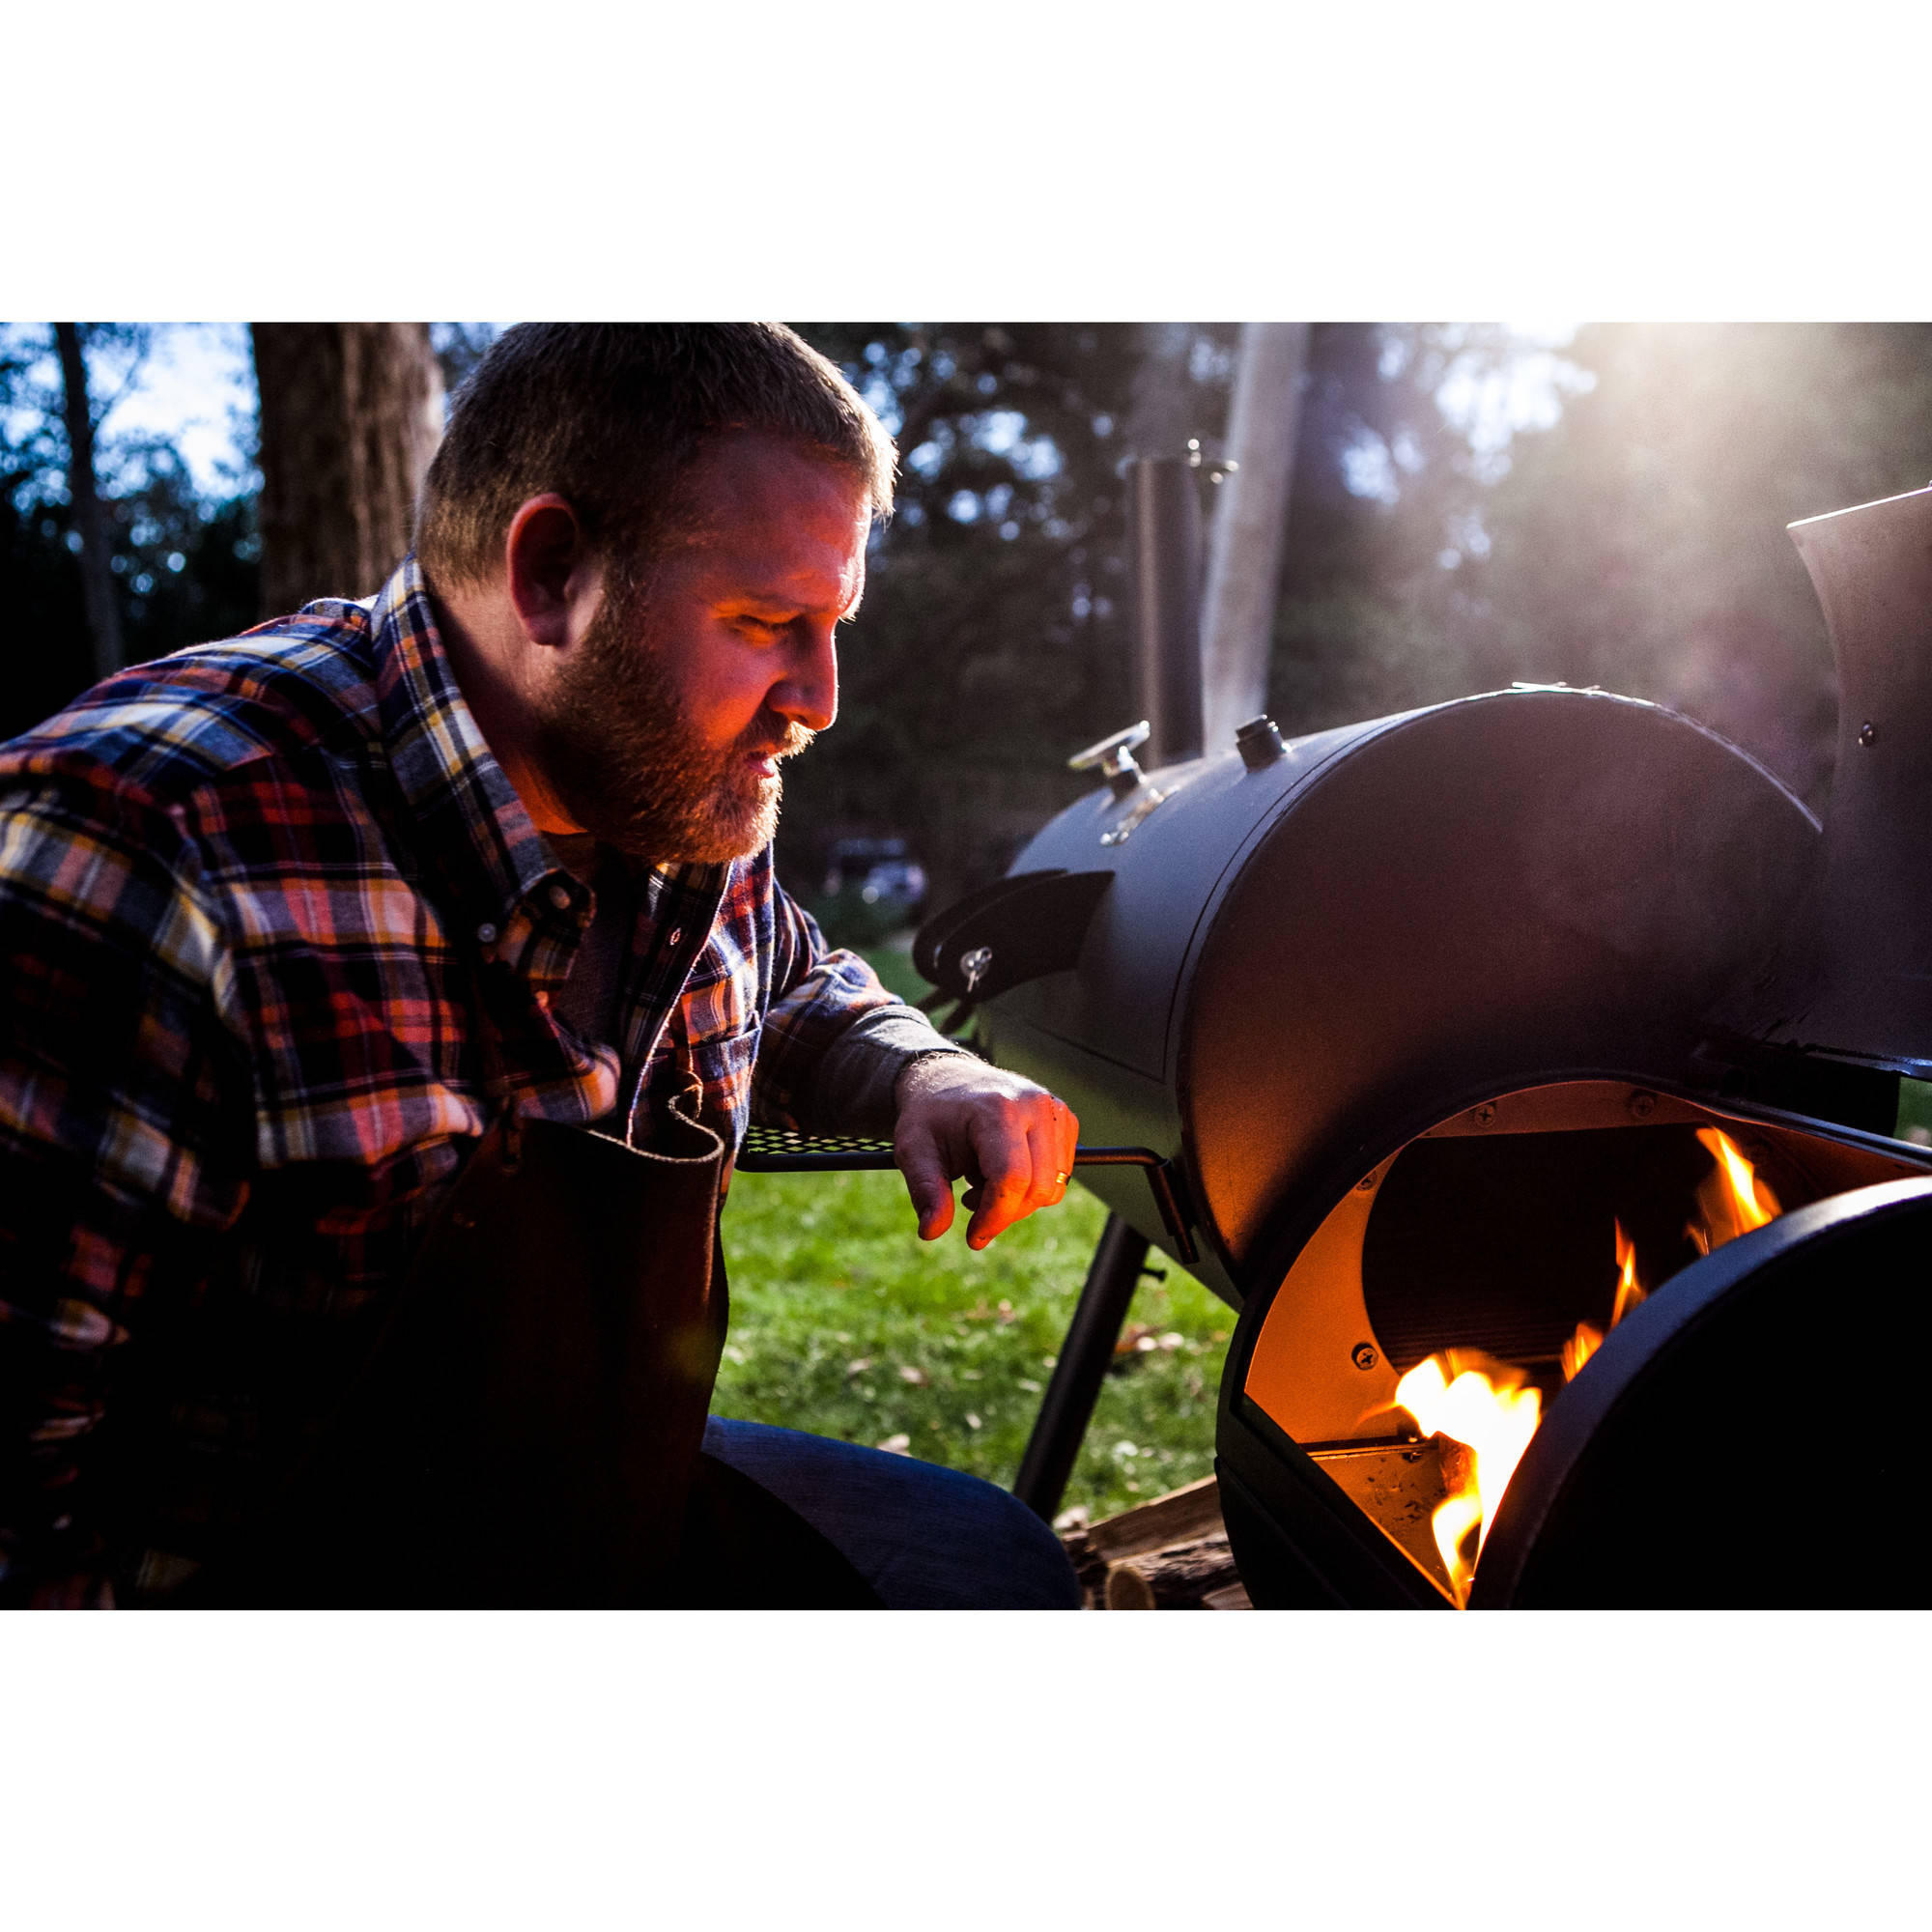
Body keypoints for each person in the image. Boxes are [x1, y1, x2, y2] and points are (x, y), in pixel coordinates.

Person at [0, 324, 1083, 1608]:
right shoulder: (147, 844)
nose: (821, 697)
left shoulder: (668, 788)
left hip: (597, 1519)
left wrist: (917, 1073)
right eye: (766, 621)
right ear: (552, 572)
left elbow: (777, 972)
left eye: (832, 623)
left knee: (988, 1568)